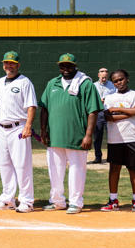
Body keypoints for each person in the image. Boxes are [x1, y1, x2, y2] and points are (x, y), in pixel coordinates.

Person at [39, 53, 102, 214]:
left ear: (75, 66)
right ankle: (57, 201)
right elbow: (44, 109)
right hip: (55, 136)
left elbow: (93, 111)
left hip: (77, 136)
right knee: (55, 170)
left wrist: (88, 135)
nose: (65, 69)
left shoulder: (85, 83)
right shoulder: (52, 83)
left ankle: (76, 202)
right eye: (62, 66)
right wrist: (44, 131)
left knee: (77, 170)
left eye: (69, 66)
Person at [0, 51, 37, 213]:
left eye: (12, 63)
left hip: (18, 127)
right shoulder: (0, 82)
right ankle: (8, 199)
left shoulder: (25, 82)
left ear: (18, 65)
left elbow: (31, 106)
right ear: (3, 65)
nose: (9, 66)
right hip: (2, 128)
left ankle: (27, 201)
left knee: (22, 165)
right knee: (4, 164)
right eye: (6, 63)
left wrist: (28, 125)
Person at [101, 69, 135, 212]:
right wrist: (129, 112)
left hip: (132, 137)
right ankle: (113, 200)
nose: (118, 83)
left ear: (127, 78)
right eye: (115, 81)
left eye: (121, 79)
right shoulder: (109, 98)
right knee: (114, 169)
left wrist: (117, 110)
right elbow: (108, 117)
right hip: (114, 139)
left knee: (133, 169)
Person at [92, 68, 117, 164]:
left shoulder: (112, 85)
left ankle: (112, 157)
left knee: (112, 135)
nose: (104, 76)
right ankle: (98, 157)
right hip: (98, 113)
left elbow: (116, 96)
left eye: (106, 74)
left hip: (109, 112)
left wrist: (107, 99)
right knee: (97, 136)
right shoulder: (93, 86)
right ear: (98, 75)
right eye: (102, 74)